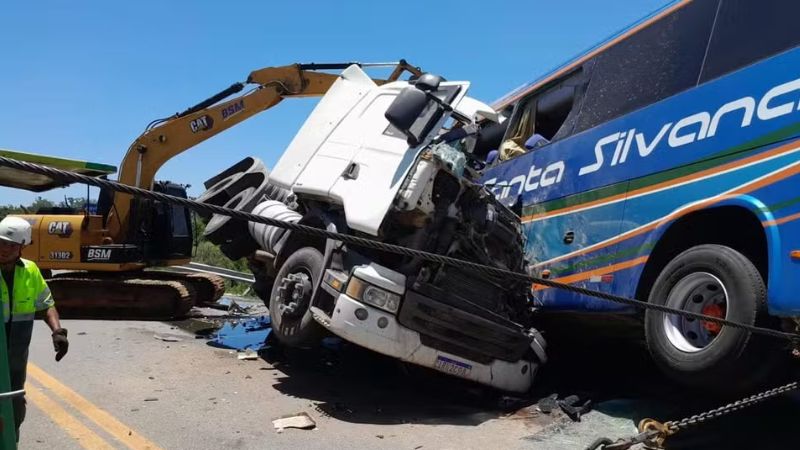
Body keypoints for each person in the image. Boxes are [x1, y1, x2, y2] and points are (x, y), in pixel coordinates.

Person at [0, 216, 68, 440]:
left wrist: (57, 331)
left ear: (22, 246)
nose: (4, 248)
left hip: (16, 354)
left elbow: (47, 304)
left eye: (10, 244)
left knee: (15, 404)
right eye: (0, 242)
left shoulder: (30, 270)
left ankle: (11, 441)